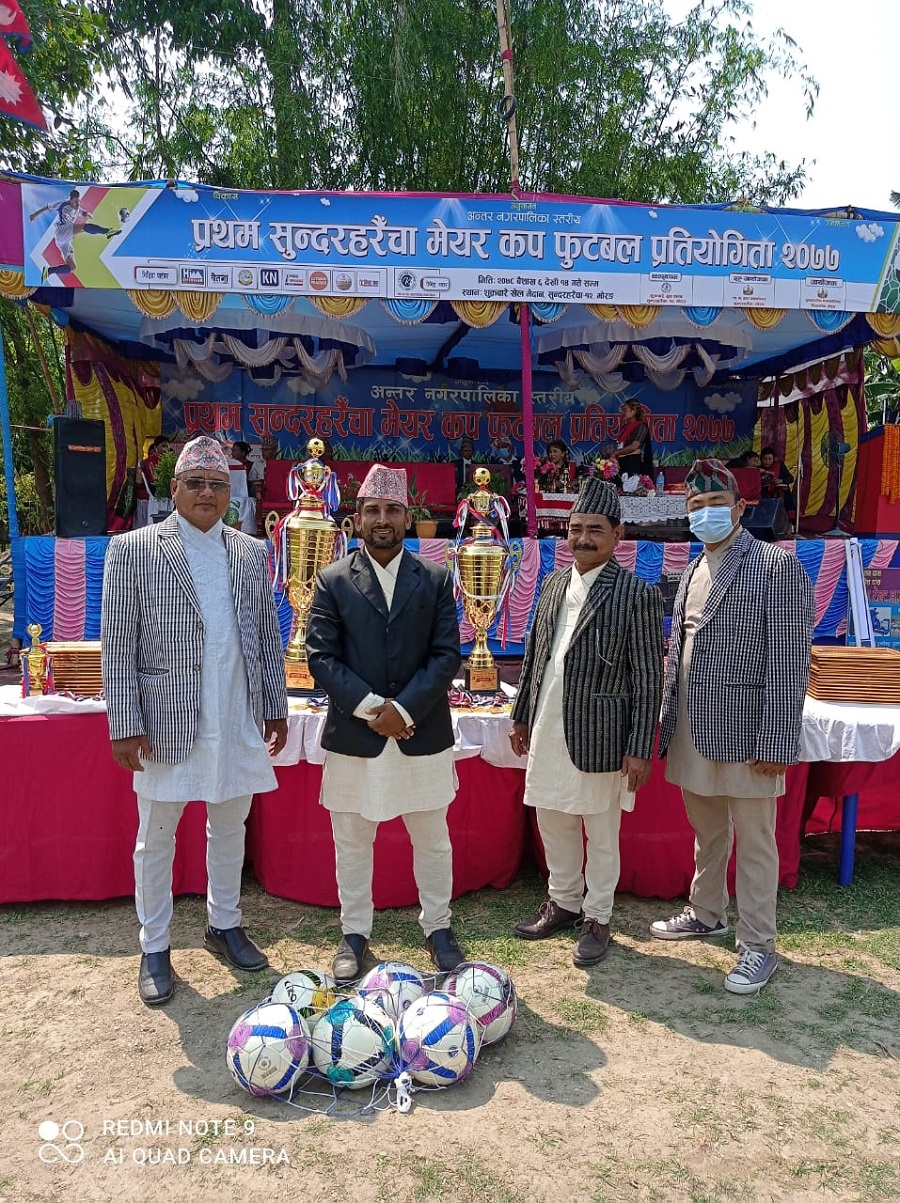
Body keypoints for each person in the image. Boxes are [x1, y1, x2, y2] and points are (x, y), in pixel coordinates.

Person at [101, 435, 289, 1006]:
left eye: (217, 485)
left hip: (234, 714)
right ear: (174, 488)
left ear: (231, 494)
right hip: (165, 719)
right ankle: (155, 945)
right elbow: (118, 643)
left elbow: (266, 633)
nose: (207, 493)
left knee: (230, 825)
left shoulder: (249, 551)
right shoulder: (133, 549)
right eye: (196, 483)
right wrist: (124, 721)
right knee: (156, 836)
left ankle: (223, 923)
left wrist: (274, 705)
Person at [651, 459, 814, 994]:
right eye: (695, 506)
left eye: (715, 504)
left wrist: (777, 740)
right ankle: (707, 912)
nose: (705, 514)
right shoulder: (695, 567)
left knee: (756, 840)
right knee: (708, 830)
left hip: (749, 733)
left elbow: (790, 661)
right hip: (692, 729)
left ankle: (759, 944)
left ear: (740, 507)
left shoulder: (774, 565)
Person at [306, 464, 464, 981]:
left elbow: (446, 654)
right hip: (358, 734)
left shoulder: (435, 578)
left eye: (392, 510)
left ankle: (438, 927)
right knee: (352, 840)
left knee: (432, 838)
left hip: (422, 732)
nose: (382, 519)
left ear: (407, 518)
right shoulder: (332, 580)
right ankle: (354, 932)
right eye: (372, 510)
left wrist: (404, 710)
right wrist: (377, 710)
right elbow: (321, 657)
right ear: (356, 518)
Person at [510, 477, 664, 967]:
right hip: (548, 725)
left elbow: (649, 677)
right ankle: (564, 902)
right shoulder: (554, 583)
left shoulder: (636, 594)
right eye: (575, 529)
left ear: (618, 534)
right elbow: (536, 657)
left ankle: (598, 916)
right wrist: (521, 715)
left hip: (603, 734)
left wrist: (639, 747)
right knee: (552, 817)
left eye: (595, 530)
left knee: (601, 831)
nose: (582, 538)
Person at [30, 188, 120, 281]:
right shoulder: (62, 204)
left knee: (72, 268)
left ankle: (49, 271)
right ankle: (107, 232)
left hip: (64, 242)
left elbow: (82, 212)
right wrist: (34, 215)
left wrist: (87, 214)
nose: (77, 204)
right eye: (75, 201)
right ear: (70, 199)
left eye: (78, 201)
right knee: (83, 227)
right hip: (62, 231)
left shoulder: (77, 208)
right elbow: (47, 207)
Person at [610, 399, 654, 480]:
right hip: (620, 463)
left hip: (632, 463)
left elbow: (634, 446)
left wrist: (615, 453)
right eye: (622, 410)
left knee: (629, 486)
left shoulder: (641, 426)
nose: (623, 413)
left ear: (633, 411)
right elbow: (620, 444)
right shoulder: (625, 427)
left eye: (625, 410)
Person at [760, 446, 797, 522]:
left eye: (770, 459)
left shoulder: (779, 466)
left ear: (773, 459)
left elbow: (791, 478)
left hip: (780, 494)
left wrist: (781, 480)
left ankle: (790, 519)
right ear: (761, 459)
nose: (767, 461)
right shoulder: (759, 469)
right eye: (765, 459)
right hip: (765, 494)